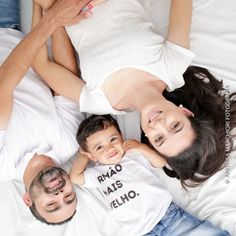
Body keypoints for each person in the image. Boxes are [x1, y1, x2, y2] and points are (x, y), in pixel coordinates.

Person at [32, 0, 236, 187]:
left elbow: (42, 64)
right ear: (185, 113)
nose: (158, 124)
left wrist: (45, 10)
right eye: (175, 126)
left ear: (148, 139)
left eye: (159, 139)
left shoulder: (100, 102)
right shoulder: (172, 65)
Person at [0, 0, 96, 225]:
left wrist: (52, 19)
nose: (59, 195)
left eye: (51, 204)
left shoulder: (3, 165)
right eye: (69, 197)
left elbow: (3, 84)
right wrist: (45, 6)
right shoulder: (69, 142)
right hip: (8, 27)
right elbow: (64, 74)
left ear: (27, 200)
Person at [69, 114, 230, 236]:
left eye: (113, 139)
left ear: (121, 137)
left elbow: (160, 163)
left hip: (168, 216)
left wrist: (142, 148)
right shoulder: (96, 174)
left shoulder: (133, 154)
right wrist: (85, 154)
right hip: (141, 232)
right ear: (92, 155)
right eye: (99, 147)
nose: (109, 148)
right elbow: (74, 177)